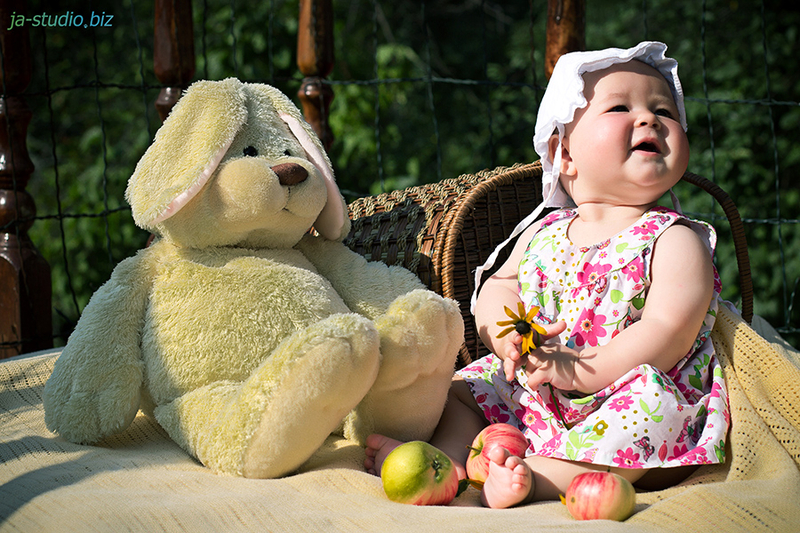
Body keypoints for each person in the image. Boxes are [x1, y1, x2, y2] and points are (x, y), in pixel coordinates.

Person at [365, 41, 730, 509]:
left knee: (651, 411)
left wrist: (581, 370)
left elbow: (668, 331)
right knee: (463, 388)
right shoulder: (545, 231)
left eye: (664, 111)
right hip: (538, 388)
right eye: (621, 107)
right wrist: (506, 336)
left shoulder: (673, 237)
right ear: (564, 154)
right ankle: (449, 460)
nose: (649, 119)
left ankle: (538, 477)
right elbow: (499, 286)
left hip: (621, 392)